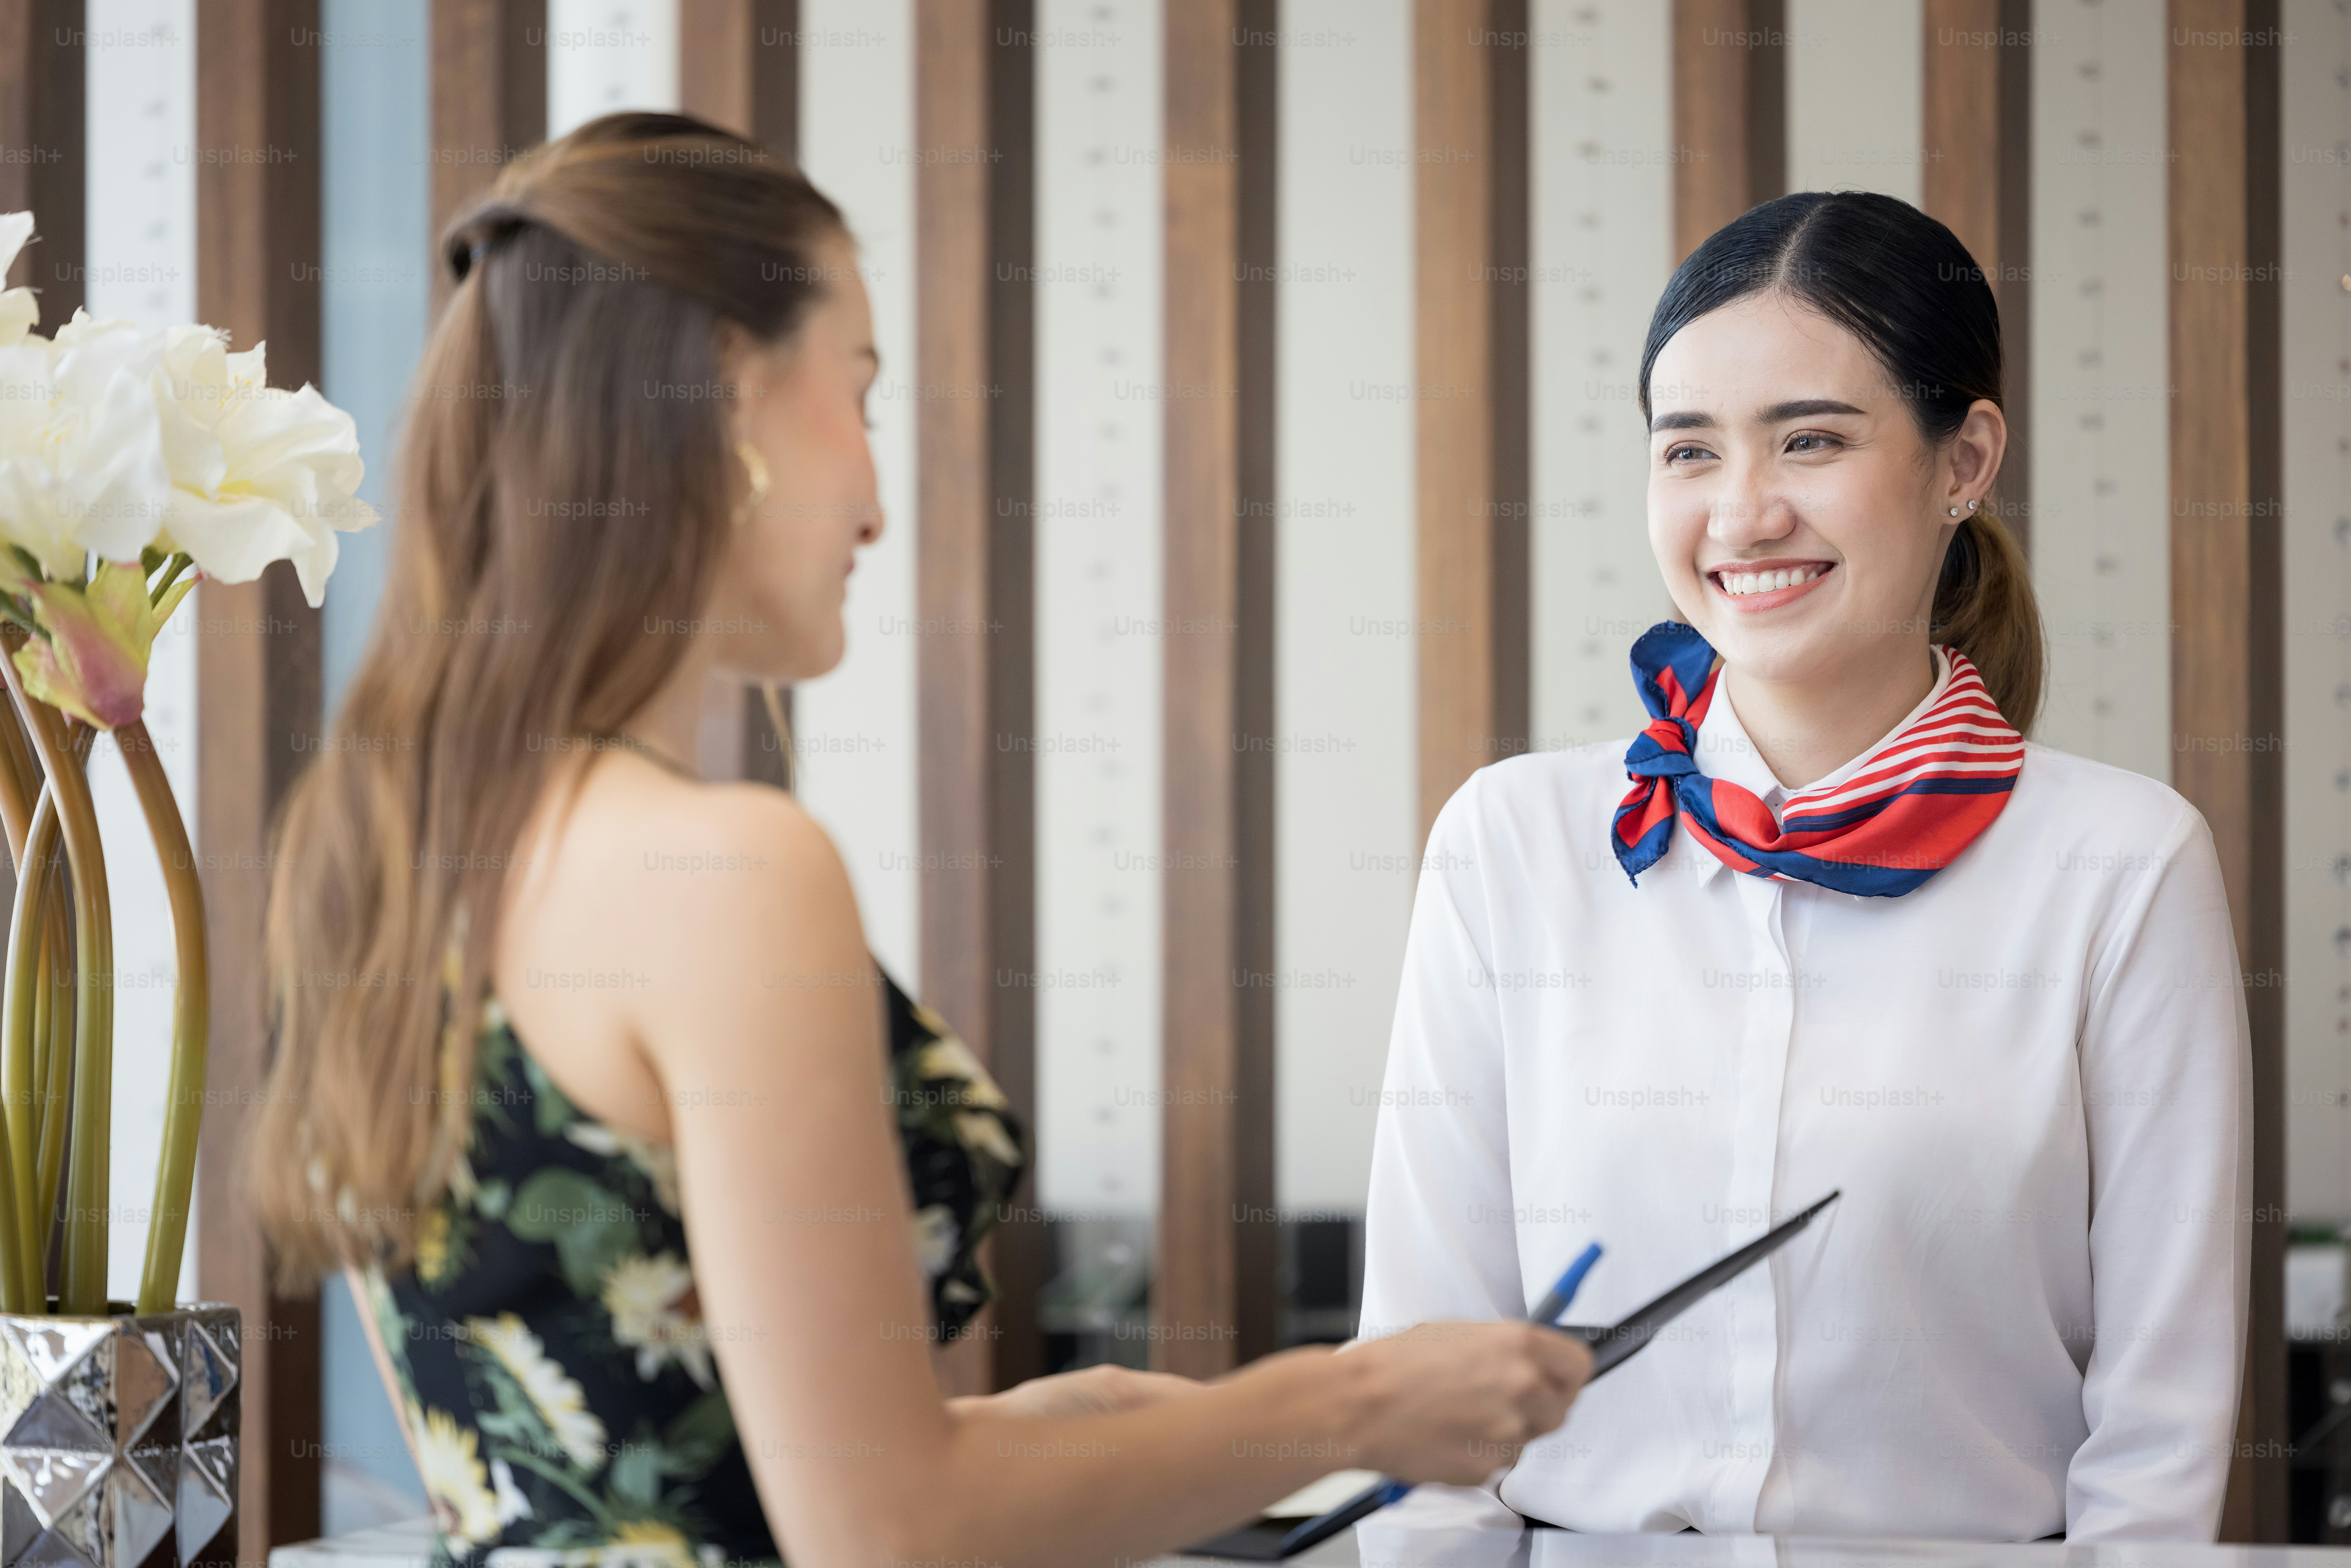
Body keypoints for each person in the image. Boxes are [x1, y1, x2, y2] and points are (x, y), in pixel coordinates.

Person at [252, 113, 1591, 1568]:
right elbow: (887, 1534)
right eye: (862, 394)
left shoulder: (377, 844)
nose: (879, 503)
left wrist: (1037, 1434)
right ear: (725, 397)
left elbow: (620, 1448)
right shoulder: (728, 876)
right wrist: (1349, 1400)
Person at [1358, 191, 2251, 1542]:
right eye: (1688, 452)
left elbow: (2160, 1431)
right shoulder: (1512, 843)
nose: (1743, 511)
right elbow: (1424, 1362)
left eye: (1811, 441)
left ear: (1963, 463)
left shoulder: (2119, 866)